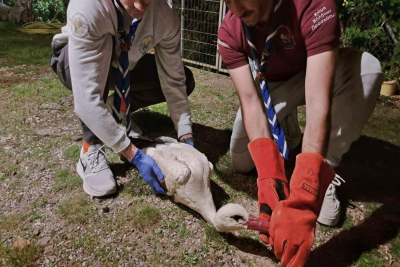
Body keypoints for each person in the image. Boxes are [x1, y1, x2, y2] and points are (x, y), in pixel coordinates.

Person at [217, 0, 383, 265]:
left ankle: (324, 172)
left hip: (318, 68)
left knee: (368, 69)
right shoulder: (229, 29)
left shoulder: (313, 4)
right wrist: (268, 173)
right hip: (272, 84)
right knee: (241, 161)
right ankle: (288, 131)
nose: (235, 9)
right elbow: (249, 102)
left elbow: (318, 101)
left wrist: (306, 194)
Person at [50, 0, 195, 197]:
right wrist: (133, 154)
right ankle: (90, 148)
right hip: (72, 60)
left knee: (186, 79)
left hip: (122, 65)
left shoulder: (165, 15)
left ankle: (113, 110)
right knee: (100, 64)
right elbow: (86, 100)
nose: (140, 6)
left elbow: (173, 78)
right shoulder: (88, 7)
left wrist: (186, 134)